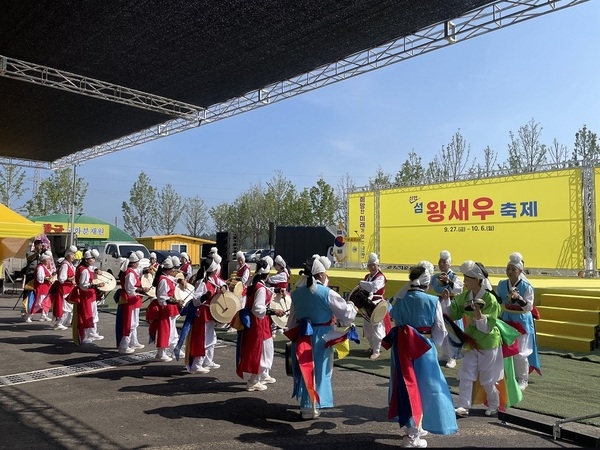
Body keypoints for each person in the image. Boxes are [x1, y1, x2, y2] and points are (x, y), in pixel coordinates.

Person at [387, 264, 458, 448]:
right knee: (427, 387)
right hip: (423, 348)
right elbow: (440, 331)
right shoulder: (432, 301)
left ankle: (413, 427)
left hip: (401, 347)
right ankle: (414, 435)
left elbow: (393, 318)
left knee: (405, 386)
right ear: (427, 284)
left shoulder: (400, 299)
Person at [287, 254, 357, 419]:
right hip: (322, 337)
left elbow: (291, 321)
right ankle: (314, 405)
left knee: (305, 368)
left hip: (302, 335)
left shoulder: (296, 294)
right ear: (320, 275)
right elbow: (347, 315)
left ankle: (306, 405)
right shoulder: (327, 293)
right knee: (320, 370)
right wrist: (352, 306)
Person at [440, 260, 505, 417]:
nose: (464, 282)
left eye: (467, 279)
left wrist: (478, 313)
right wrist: (447, 300)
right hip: (471, 341)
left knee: (487, 378)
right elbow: (452, 314)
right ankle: (463, 406)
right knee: (466, 374)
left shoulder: (490, 299)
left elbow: (487, 326)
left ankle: (494, 404)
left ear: (477, 279)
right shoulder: (464, 297)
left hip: (488, 342)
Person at [235, 259, 284, 391]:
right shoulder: (260, 288)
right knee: (262, 351)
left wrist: (278, 290)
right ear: (267, 275)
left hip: (258, 321)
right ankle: (253, 381)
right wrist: (274, 311)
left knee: (264, 349)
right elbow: (258, 308)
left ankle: (261, 375)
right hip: (259, 322)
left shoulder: (255, 283)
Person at [496, 252, 541, 390]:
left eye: (513, 269)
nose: (509, 272)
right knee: (505, 349)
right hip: (507, 318)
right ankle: (506, 376)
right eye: (508, 269)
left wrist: (519, 299)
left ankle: (522, 378)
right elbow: (499, 301)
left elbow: (529, 306)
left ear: (520, 271)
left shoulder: (527, 287)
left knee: (521, 352)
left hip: (522, 320)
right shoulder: (502, 284)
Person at [184, 257, 226, 373]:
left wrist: (223, 288)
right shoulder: (201, 282)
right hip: (202, 313)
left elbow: (223, 284)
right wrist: (205, 297)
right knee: (202, 339)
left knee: (211, 338)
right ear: (211, 270)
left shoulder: (213, 279)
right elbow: (195, 301)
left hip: (210, 312)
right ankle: (196, 365)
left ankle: (207, 361)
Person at [429, 250, 464, 369]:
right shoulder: (435, 277)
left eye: (444, 262)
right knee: (440, 327)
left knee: (451, 330)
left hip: (450, 303)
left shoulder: (453, 277)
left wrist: (449, 282)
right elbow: (427, 285)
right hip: (439, 303)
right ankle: (445, 353)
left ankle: (452, 356)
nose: (442, 264)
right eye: (440, 262)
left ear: (449, 264)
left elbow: (459, 289)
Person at [146, 256, 184, 362]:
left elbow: (174, 279)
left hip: (169, 309)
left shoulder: (166, 277)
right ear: (169, 270)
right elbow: (162, 298)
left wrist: (180, 280)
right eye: (172, 269)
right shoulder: (163, 280)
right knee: (165, 331)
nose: (173, 271)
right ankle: (161, 353)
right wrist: (176, 301)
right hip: (165, 309)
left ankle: (174, 349)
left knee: (172, 331)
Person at [359, 252, 391, 360]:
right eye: (370, 265)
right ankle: (372, 346)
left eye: (374, 265)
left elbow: (373, 287)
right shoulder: (367, 276)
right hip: (367, 304)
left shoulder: (381, 277)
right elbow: (365, 289)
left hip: (377, 305)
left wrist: (361, 283)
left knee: (377, 328)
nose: (372, 267)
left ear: (378, 265)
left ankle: (377, 351)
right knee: (367, 327)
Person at [116, 252, 149, 354]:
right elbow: (130, 289)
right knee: (129, 323)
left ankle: (133, 342)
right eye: (137, 262)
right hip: (130, 300)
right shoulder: (130, 273)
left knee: (134, 322)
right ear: (134, 263)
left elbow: (139, 272)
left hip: (133, 300)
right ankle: (124, 345)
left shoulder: (132, 271)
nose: (138, 264)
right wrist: (142, 289)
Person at [71, 249, 105, 344]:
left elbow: (92, 269)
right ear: (87, 260)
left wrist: (96, 270)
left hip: (89, 295)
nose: (94, 260)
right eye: (92, 259)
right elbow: (83, 285)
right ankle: (84, 336)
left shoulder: (84, 268)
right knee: (85, 315)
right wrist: (97, 285)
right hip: (85, 295)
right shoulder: (84, 270)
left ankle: (92, 332)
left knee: (92, 314)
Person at [53, 245, 78, 330]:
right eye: (72, 255)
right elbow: (61, 279)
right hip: (64, 289)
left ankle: (66, 321)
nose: (73, 257)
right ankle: (59, 322)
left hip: (69, 288)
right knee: (65, 307)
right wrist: (70, 279)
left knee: (68, 307)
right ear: (67, 255)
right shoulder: (65, 265)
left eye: (74, 255)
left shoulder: (70, 265)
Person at [25, 251, 55, 322]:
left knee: (46, 302)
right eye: (48, 260)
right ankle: (28, 315)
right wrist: (48, 278)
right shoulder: (40, 267)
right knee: (39, 303)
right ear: (44, 260)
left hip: (46, 287)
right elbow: (40, 278)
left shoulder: (45, 267)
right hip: (41, 287)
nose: (49, 261)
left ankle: (44, 315)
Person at [266, 254, 290, 335]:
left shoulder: (282, 275)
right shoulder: (284, 272)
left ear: (280, 266)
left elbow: (269, 280)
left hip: (278, 296)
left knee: (275, 312)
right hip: (279, 296)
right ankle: (278, 328)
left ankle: (276, 329)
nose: (274, 266)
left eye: (275, 265)